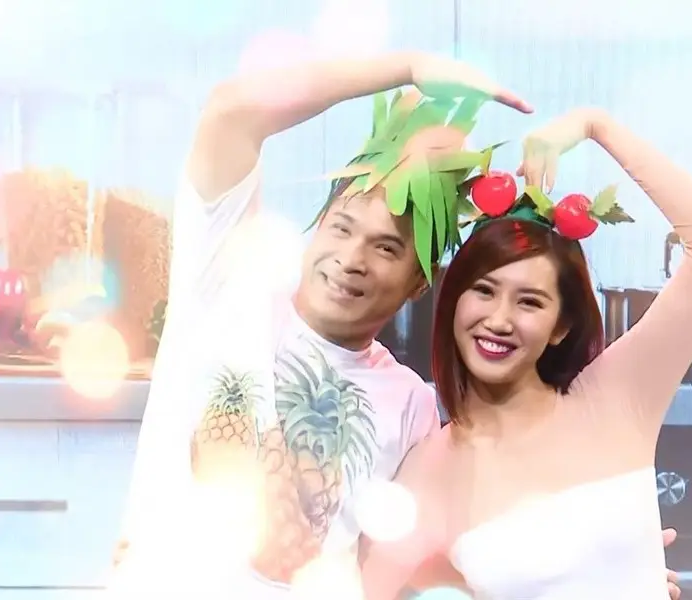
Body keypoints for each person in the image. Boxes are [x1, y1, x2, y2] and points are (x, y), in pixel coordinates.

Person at [109, 51, 530, 599]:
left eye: (386, 248)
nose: (352, 258)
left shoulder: (412, 404)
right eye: (341, 228)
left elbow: (404, 569)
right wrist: (407, 67)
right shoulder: (226, 293)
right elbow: (231, 112)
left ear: (418, 283)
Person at [361, 106, 692, 599]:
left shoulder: (614, 398)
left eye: (529, 302)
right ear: (453, 300)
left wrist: (595, 125)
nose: (499, 319)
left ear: (561, 325)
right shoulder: (429, 472)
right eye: (484, 291)